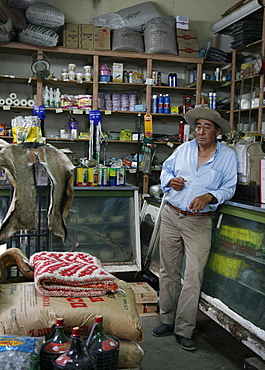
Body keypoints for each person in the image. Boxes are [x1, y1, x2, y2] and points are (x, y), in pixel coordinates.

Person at [152, 107, 238, 351]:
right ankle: (167, 319)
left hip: (199, 221)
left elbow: (229, 188)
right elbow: (166, 171)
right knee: (168, 271)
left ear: (217, 132)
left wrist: (210, 196)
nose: (200, 131)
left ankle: (184, 329)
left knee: (192, 276)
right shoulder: (183, 149)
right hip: (171, 214)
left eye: (206, 127)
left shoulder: (227, 156)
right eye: (198, 126)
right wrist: (170, 181)